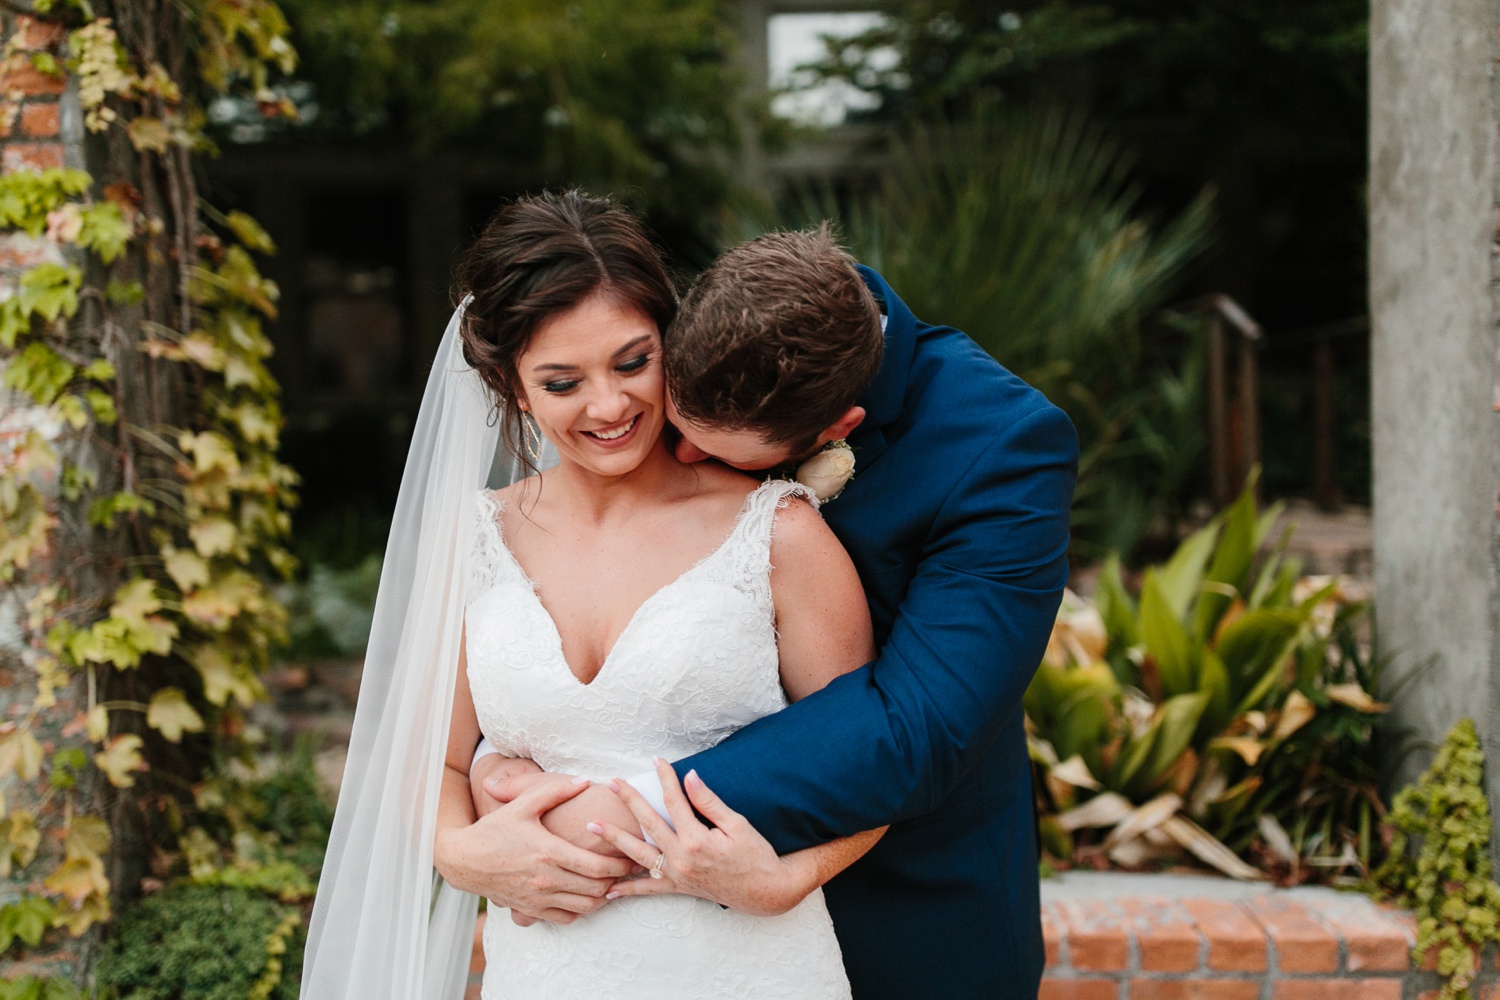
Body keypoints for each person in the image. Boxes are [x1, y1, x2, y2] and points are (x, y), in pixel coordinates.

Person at [303, 191, 887, 1000]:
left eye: (631, 361)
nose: (609, 406)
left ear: (670, 344)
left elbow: (875, 764)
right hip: (547, 972)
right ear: (511, 387)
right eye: (562, 380)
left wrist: (785, 878)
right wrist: (459, 851)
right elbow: (427, 757)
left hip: (750, 966)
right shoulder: (474, 541)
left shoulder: (778, 534)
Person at [470, 227, 1079, 999]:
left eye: (718, 450)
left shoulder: (1003, 447)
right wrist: (472, 815)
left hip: (910, 903)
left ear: (837, 430)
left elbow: (913, 730)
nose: (678, 456)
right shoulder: (744, 323)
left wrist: (605, 813)